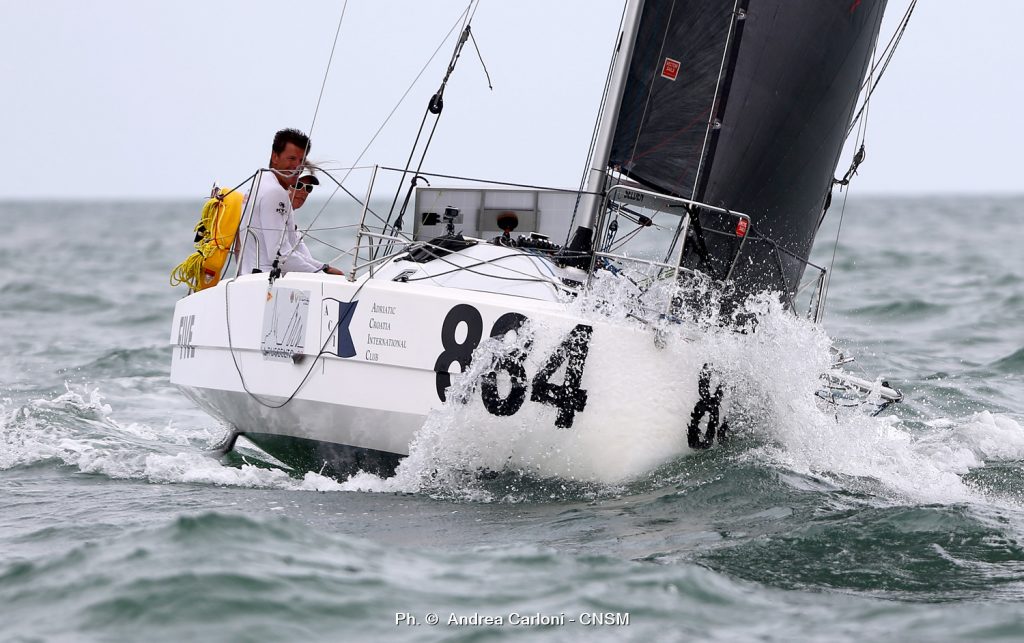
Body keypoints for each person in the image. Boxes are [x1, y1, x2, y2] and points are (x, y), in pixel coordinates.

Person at [238, 128, 343, 276]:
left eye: (301, 161)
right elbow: (279, 255)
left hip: (252, 278)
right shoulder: (275, 192)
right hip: (266, 281)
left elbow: (285, 251)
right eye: (292, 158)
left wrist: (324, 267)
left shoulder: (261, 183)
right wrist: (320, 274)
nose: (297, 166)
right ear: (275, 156)